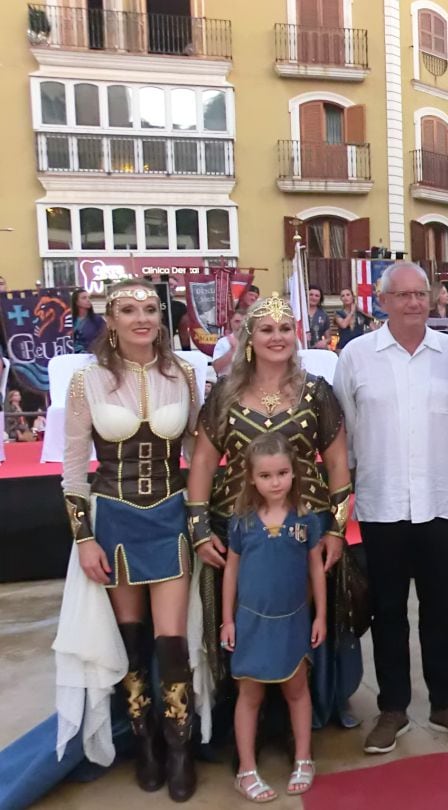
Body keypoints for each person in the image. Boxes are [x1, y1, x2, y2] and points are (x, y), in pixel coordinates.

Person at [186, 294, 359, 736]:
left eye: (285, 329)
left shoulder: (317, 390)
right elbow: (204, 462)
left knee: (305, 614)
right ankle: (246, 717)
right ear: (250, 337)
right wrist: (201, 529)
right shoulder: (224, 393)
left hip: (309, 524)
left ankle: (316, 706)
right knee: (246, 615)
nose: (277, 337)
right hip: (238, 525)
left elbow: (337, 461)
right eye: (267, 329)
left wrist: (337, 529)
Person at [60, 278, 202, 801]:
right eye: (127, 309)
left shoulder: (184, 373)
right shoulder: (87, 381)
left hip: (169, 514)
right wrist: (83, 540)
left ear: (160, 318)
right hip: (113, 519)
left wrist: (204, 515)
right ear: (110, 320)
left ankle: (180, 746)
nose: (141, 318)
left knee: (173, 643)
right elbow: (74, 469)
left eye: (149, 309)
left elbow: (197, 452)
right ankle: (145, 745)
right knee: (133, 640)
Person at [334, 263, 448, 754]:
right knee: (388, 611)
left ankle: (445, 703)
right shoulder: (356, 356)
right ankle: (393, 707)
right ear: (383, 301)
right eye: (403, 295)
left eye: (422, 294)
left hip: (439, 502)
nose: (415, 303)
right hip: (382, 505)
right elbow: (347, 432)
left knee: (440, 610)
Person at [221, 432, 328, 801]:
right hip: (251, 622)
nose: (275, 482)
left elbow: (316, 571)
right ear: (251, 478)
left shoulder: (307, 520)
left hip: (294, 620)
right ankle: (246, 769)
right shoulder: (241, 522)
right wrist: (228, 620)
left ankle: (303, 757)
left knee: (297, 691)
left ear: (294, 473)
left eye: (282, 473)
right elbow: (231, 572)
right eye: (266, 476)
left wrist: (320, 617)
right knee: (249, 695)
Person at [211, 308, 247, 376]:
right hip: (227, 382)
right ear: (231, 322)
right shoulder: (223, 342)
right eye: (237, 321)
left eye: (244, 322)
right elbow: (216, 368)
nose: (241, 325)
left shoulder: (255, 341)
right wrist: (232, 350)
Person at [70, 288, 105, 354]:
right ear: (76, 302)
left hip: (91, 356)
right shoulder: (70, 320)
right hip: (72, 357)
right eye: (84, 298)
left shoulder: (97, 319)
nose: (88, 300)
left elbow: (104, 338)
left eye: (89, 298)